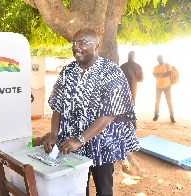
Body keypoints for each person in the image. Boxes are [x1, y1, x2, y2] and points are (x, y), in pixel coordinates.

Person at [44, 28, 140, 196]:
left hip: (102, 144)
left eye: (82, 43)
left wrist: (80, 139)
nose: (76, 47)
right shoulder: (67, 72)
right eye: (74, 43)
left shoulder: (111, 72)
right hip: (71, 144)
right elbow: (57, 106)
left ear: (97, 46)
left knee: (104, 190)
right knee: (78, 188)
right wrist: (53, 135)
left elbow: (109, 114)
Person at [120, 51, 144, 129]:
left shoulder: (123, 66)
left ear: (128, 56)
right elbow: (141, 79)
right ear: (134, 56)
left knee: (123, 106)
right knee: (132, 105)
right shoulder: (138, 67)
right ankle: (133, 124)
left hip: (123, 89)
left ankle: (125, 124)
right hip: (133, 89)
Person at [152, 55, 175, 123]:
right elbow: (155, 75)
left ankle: (172, 117)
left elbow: (170, 73)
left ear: (163, 58)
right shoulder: (156, 67)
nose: (159, 59)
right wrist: (165, 74)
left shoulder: (168, 65)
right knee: (157, 102)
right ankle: (156, 115)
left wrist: (160, 75)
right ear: (157, 60)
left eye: (160, 58)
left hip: (167, 86)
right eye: (158, 58)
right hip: (158, 86)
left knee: (169, 102)